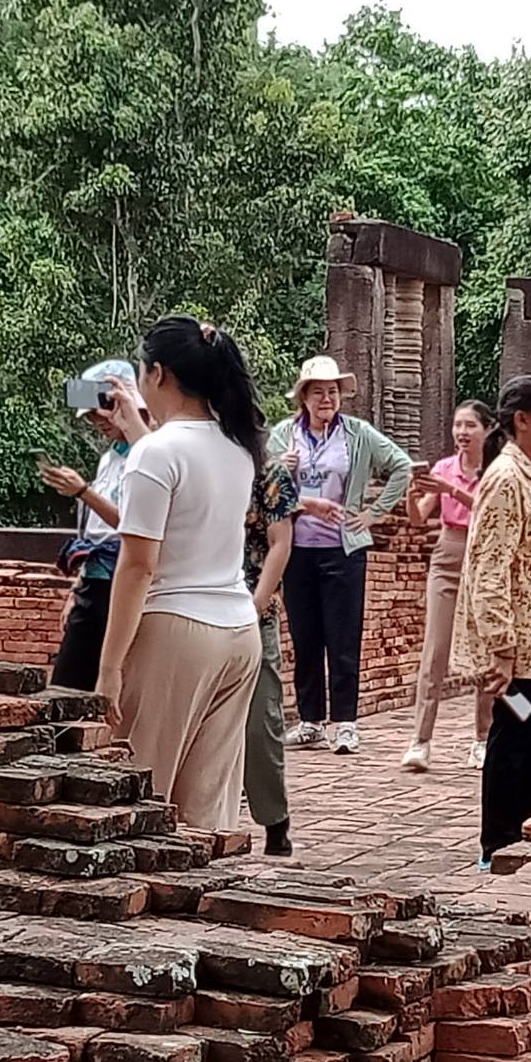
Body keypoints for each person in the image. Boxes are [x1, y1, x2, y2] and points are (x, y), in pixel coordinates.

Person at [96, 316, 265, 832]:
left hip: (177, 632)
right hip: (237, 631)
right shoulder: (237, 447)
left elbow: (139, 564)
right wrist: (139, 432)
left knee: (137, 801)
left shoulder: (157, 452)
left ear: (158, 374)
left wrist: (109, 667)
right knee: (203, 813)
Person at [453, 375, 531, 869]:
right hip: (516, 651)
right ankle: (497, 840)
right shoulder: (505, 479)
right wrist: (501, 643)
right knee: (515, 732)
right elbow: (489, 567)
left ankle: (526, 829)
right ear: (521, 420)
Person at [269, 356, 413, 755]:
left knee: (343, 635)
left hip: (343, 548)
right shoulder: (284, 436)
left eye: (332, 392)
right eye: (318, 392)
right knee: (305, 636)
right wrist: (281, 470)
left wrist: (372, 513)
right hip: (296, 550)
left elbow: (401, 467)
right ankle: (311, 720)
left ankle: (346, 723)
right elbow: (263, 485)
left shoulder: (357, 434)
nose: (326, 399)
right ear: (303, 398)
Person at [37, 359, 150, 691]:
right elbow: (94, 531)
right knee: (68, 686)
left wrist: (83, 492)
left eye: (100, 411)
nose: (96, 422)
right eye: (90, 416)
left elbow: (133, 525)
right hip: (96, 579)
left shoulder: (151, 453)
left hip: (127, 581)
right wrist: (77, 587)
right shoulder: (110, 458)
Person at [401, 400, 497, 773]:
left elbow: (489, 512)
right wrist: (413, 495)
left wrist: (452, 491)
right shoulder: (444, 468)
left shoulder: (495, 471)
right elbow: (419, 517)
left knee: (488, 650)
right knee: (435, 649)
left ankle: (482, 738)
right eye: (458, 425)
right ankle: (420, 740)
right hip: (448, 551)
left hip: (484, 554)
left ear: (486, 430)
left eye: (470, 425)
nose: (462, 432)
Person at [242, 459, 300, 856]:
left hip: (251, 609)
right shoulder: (190, 457)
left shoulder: (268, 473)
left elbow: (281, 541)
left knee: (261, 724)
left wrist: (256, 604)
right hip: (197, 605)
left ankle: (274, 821)